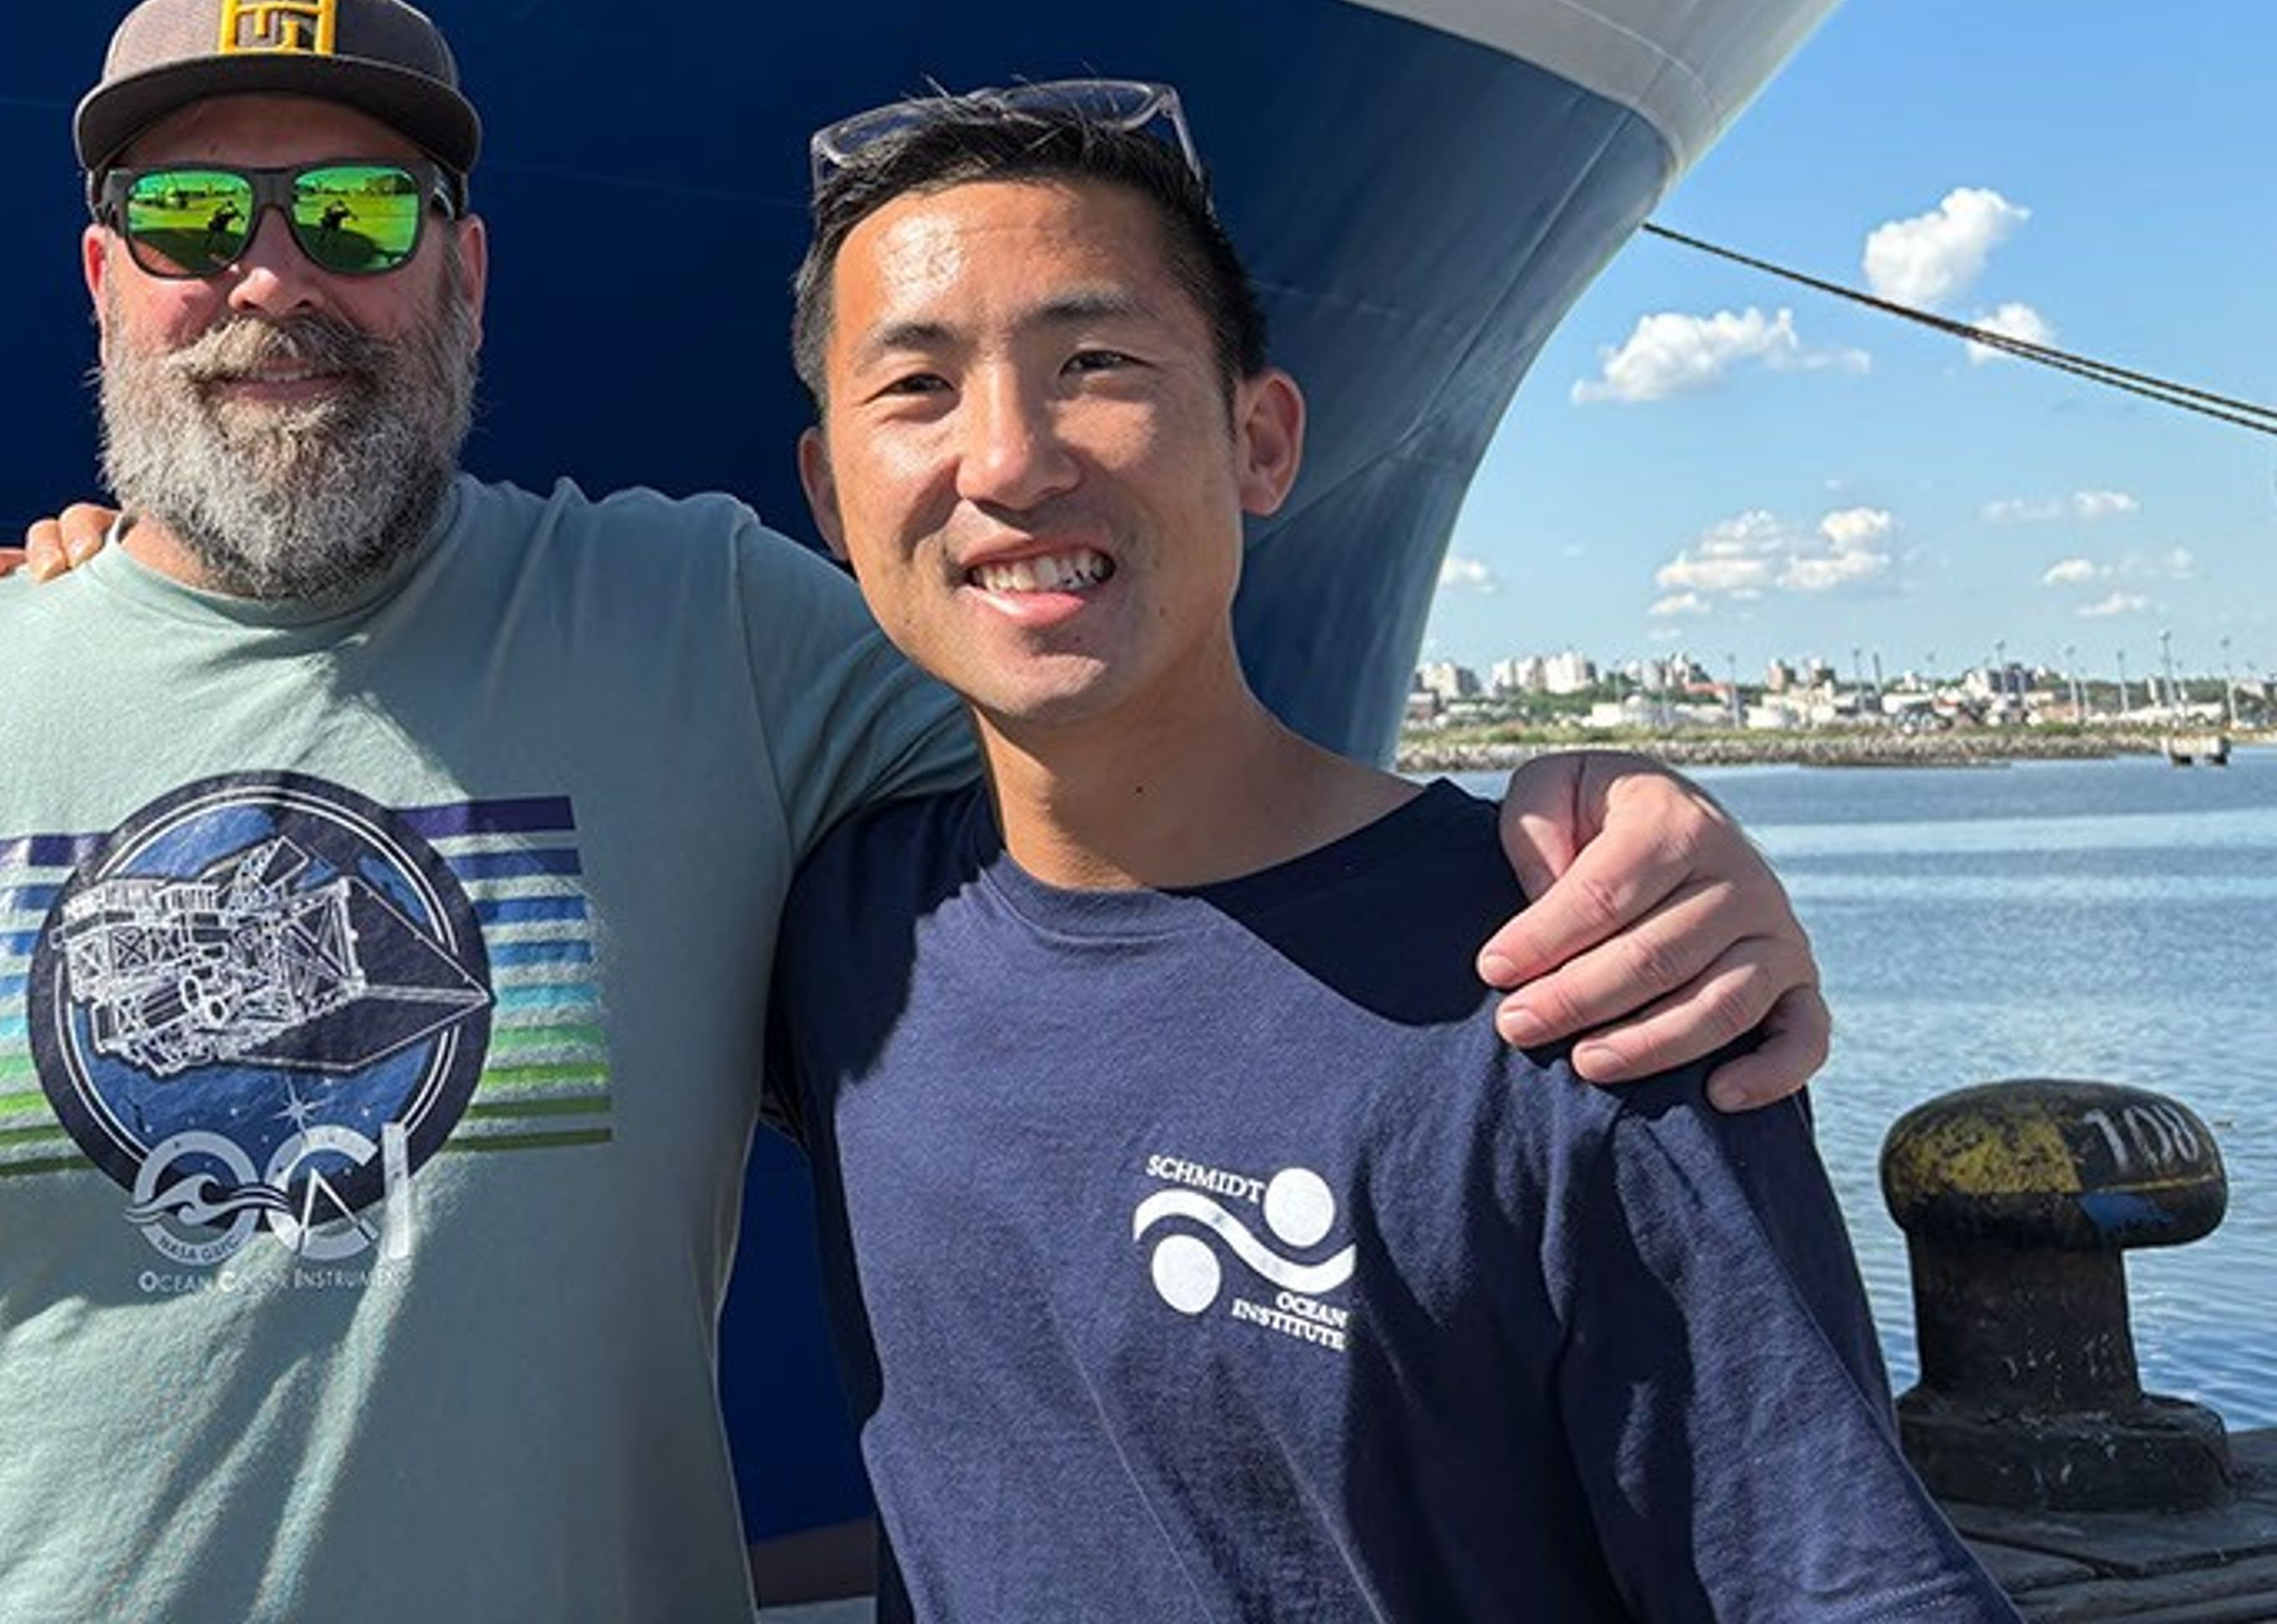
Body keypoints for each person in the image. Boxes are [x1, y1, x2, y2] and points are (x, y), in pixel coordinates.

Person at [0, 0, 1831, 1623]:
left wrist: (1594, 815)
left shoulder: (716, 630)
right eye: (195, 223)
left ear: (467, 279)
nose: (275, 276)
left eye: (360, 219)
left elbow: (1155, 787)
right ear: (104, 284)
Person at [771, 81, 2007, 1617]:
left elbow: (1837, 1580)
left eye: (1094, 363)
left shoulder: (1577, 994)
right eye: (917, 390)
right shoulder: (845, 942)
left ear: (1259, 439)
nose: (1010, 461)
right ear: (830, 496)